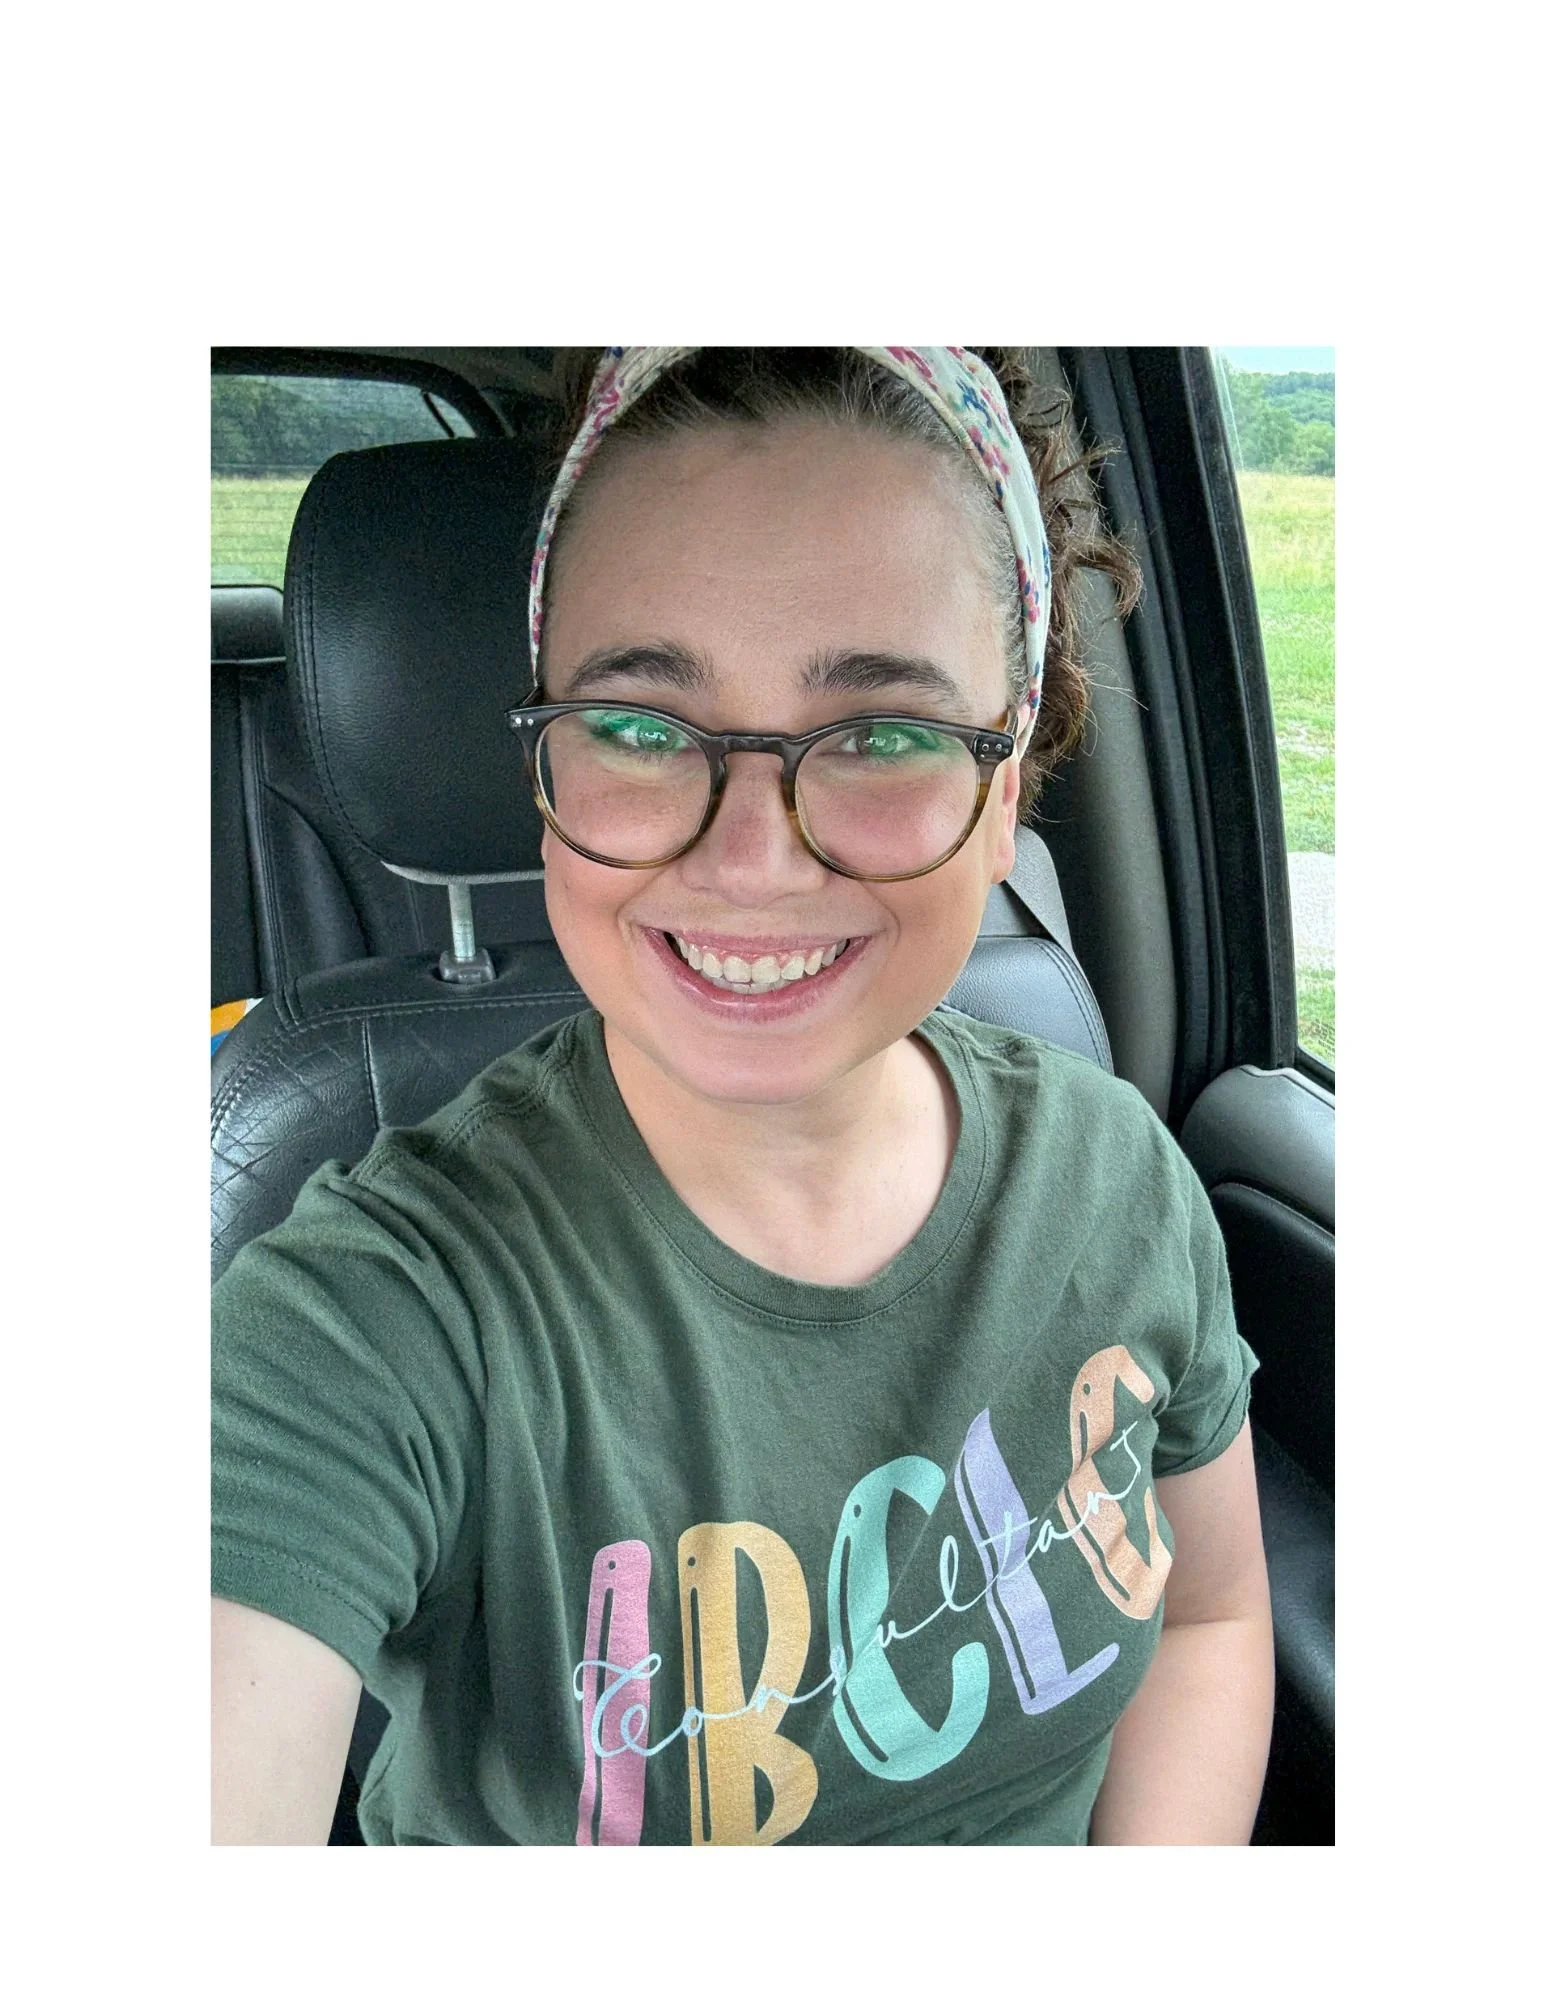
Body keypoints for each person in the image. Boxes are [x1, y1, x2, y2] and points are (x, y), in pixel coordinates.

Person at [212, 346, 1273, 1846]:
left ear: (1010, 780)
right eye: (642, 729)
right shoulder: (379, 1307)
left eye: (887, 733)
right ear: (545, 767)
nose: (755, 858)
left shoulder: (1118, 1175)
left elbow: (1214, 1619)